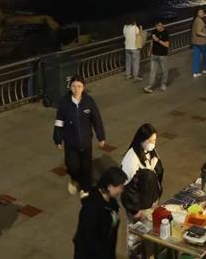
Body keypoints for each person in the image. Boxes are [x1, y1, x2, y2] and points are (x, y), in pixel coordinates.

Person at [53, 76, 107, 197]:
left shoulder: (89, 102)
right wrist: (57, 138)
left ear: (83, 87)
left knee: (86, 167)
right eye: (74, 86)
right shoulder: (64, 103)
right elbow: (59, 122)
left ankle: (85, 188)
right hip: (70, 142)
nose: (76, 89)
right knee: (72, 166)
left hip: (86, 142)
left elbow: (96, 120)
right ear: (70, 87)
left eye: (79, 86)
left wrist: (101, 137)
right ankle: (74, 179)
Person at [121, 124, 164, 258]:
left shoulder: (151, 153)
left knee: (149, 236)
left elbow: (157, 175)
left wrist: (156, 199)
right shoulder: (131, 159)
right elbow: (127, 189)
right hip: (138, 208)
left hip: (150, 204)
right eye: (150, 141)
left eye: (154, 140)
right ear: (141, 140)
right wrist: (135, 210)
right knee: (135, 240)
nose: (153, 144)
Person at [73, 167, 127, 259]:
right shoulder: (91, 209)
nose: (122, 190)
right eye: (120, 187)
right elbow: (89, 240)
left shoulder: (111, 201)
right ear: (110, 187)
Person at [144, 21, 170, 93]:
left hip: (162, 55)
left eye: (159, 26)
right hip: (154, 54)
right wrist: (149, 51)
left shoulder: (165, 33)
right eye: (156, 26)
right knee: (153, 71)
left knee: (164, 70)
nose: (158, 27)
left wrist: (158, 40)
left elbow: (167, 45)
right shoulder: (154, 31)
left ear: (162, 25)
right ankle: (149, 86)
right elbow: (152, 42)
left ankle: (163, 84)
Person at [191, 8, 206, 78]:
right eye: (200, 12)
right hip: (202, 42)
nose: (202, 13)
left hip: (195, 42)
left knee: (196, 57)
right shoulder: (200, 21)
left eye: (202, 12)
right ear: (197, 13)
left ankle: (195, 72)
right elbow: (198, 32)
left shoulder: (196, 20)